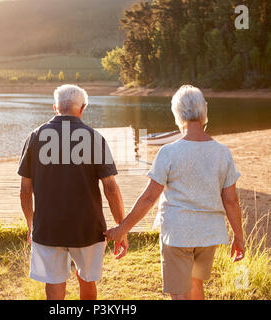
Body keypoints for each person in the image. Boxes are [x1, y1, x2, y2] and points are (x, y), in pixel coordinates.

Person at [104, 85, 245, 300]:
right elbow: (231, 200)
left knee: (179, 292)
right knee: (196, 284)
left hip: (178, 234)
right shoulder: (222, 153)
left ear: (178, 115)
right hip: (208, 234)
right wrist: (238, 236)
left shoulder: (169, 152)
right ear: (204, 113)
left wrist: (123, 229)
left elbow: (149, 197)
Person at [18, 84, 128, 300]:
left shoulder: (36, 136)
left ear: (55, 108)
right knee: (87, 280)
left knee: (54, 282)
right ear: (83, 107)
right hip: (87, 228)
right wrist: (121, 226)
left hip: (48, 227)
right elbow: (111, 188)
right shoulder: (94, 137)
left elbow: (24, 189)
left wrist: (31, 225)